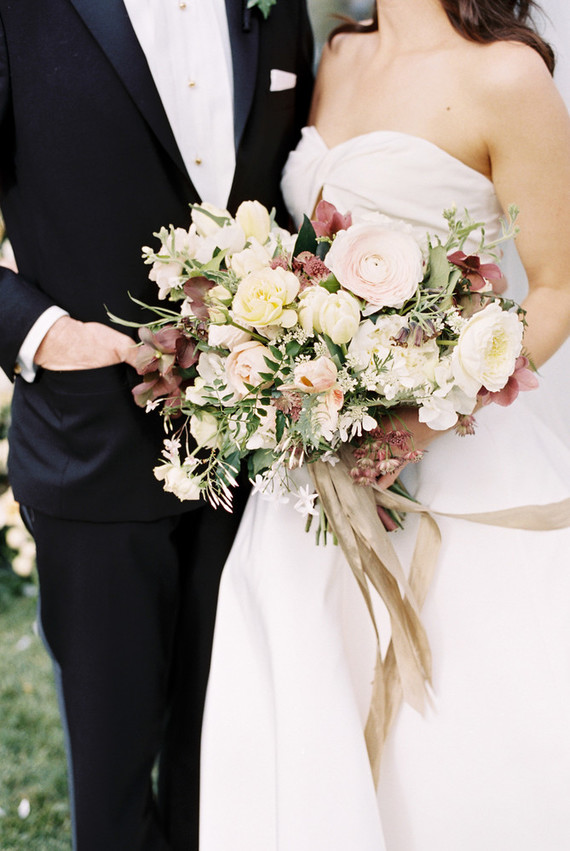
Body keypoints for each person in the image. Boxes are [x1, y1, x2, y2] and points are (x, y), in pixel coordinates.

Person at [199, 0, 570, 848]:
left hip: (456, 451)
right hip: (314, 461)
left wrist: (425, 417)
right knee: (305, 690)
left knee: (458, 732)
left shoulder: (507, 75)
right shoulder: (337, 50)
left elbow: (555, 287)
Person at [0, 3, 313, 849]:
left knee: (224, 767)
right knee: (111, 791)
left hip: (257, 466)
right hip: (91, 452)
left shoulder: (275, 10)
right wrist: (37, 332)